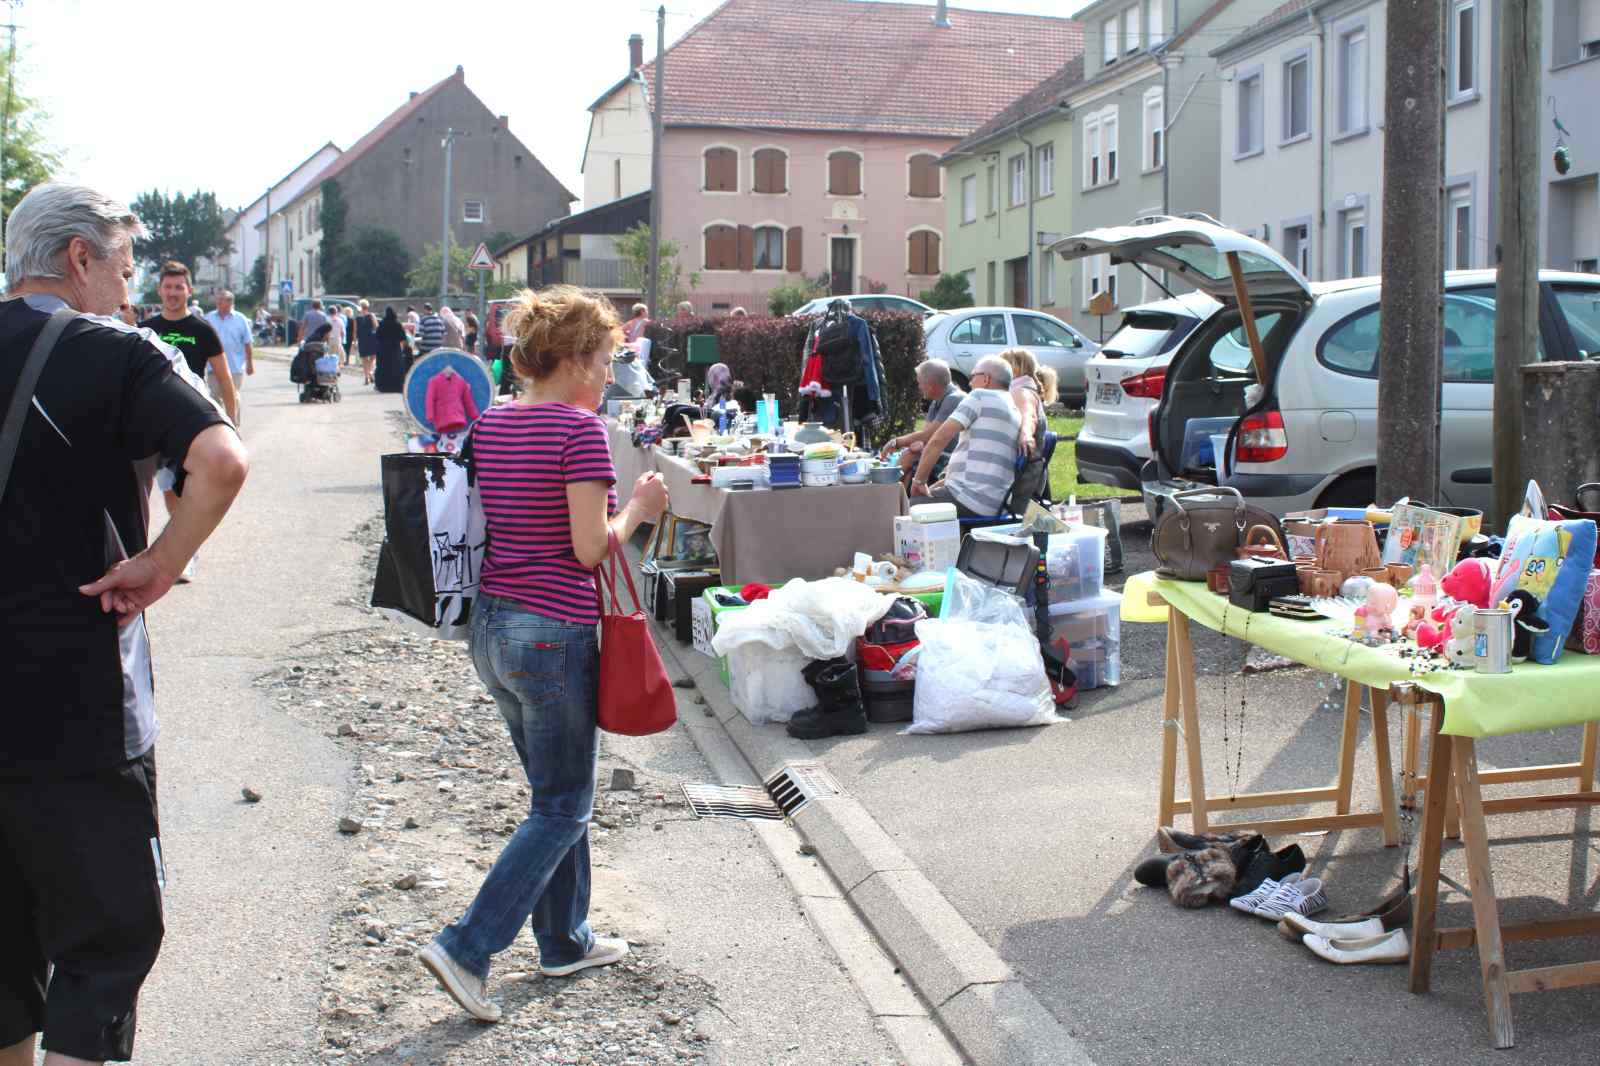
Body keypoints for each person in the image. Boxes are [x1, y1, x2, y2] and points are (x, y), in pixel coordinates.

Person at [0, 181, 249, 1066]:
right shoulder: (118, 352)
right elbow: (221, 460)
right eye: (125, 264)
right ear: (79, 258)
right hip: (81, 708)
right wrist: (163, 561)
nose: (130, 284)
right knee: (103, 952)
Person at [418, 285, 669, 1023]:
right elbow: (590, 548)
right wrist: (640, 509)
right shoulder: (580, 431)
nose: (611, 374)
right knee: (564, 806)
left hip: (493, 629)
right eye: (607, 359)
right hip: (552, 631)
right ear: (577, 358)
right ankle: (467, 947)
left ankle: (564, 939)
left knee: (555, 794)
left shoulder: (493, 421)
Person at [909, 355, 1021, 518]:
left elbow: (938, 440)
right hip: (995, 504)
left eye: (973, 376)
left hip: (968, 498)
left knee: (902, 509)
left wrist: (919, 481)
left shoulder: (980, 397)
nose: (969, 383)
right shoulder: (1014, 409)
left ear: (986, 379)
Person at [880, 358, 965, 483]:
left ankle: (886, 489)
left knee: (909, 456)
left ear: (930, 385)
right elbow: (925, 436)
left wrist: (896, 442)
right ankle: (895, 492)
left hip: (954, 458)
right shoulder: (937, 400)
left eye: (920, 383)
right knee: (909, 456)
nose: (919, 387)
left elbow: (928, 435)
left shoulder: (954, 399)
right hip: (939, 451)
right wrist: (919, 445)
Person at [204, 290, 254, 424]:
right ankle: (219, 424)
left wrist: (250, 363)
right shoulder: (209, 318)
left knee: (233, 395)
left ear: (230, 302)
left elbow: (248, 342)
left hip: (234, 366)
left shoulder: (240, 319)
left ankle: (234, 424)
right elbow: (202, 342)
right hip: (213, 367)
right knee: (214, 396)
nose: (218, 302)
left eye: (222, 299)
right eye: (218, 299)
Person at [374, 306, 408, 392]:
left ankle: (383, 386)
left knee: (383, 367)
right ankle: (396, 386)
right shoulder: (397, 324)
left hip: (383, 349)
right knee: (395, 367)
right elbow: (403, 338)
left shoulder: (382, 323)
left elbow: (377, 336)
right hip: (394, 349)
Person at [355, 299, 379, 385]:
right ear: (367, 306)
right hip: (371, 338)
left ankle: (366, 376)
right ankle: (370, 372)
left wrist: (354, 341)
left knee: (364, 358)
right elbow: (376, 327)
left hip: (362, 339)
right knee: (373, 357)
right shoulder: (371, 315)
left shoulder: (357, 318)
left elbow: (355, 331)